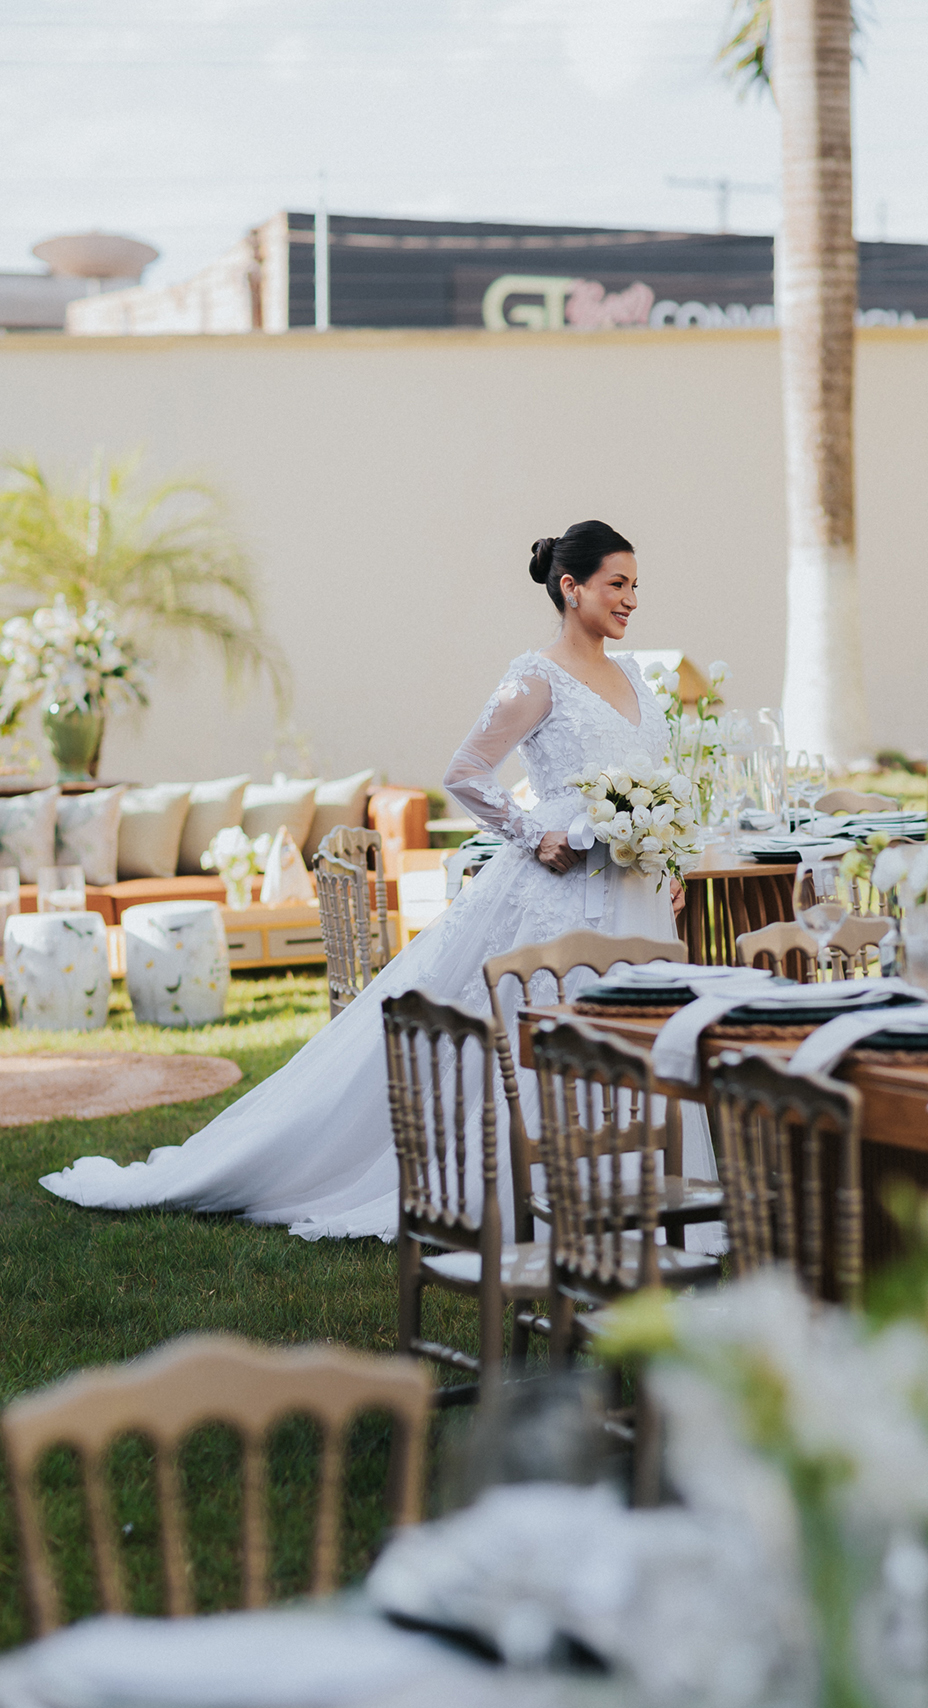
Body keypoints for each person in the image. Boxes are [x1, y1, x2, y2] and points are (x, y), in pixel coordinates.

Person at [42, 520, 709, 1242]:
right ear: (571, 587)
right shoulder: (536, 678)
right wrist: (533, 833)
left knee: (637, 1029)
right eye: (617, 584)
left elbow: (653, 782)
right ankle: (544, 1185)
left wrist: (666, 864)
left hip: (636, 892)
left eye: (636, 586)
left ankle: (647, 1180)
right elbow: (466, 772)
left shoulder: (635, 675)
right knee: (548, 1028)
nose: (631, 599)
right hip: (563, 890)